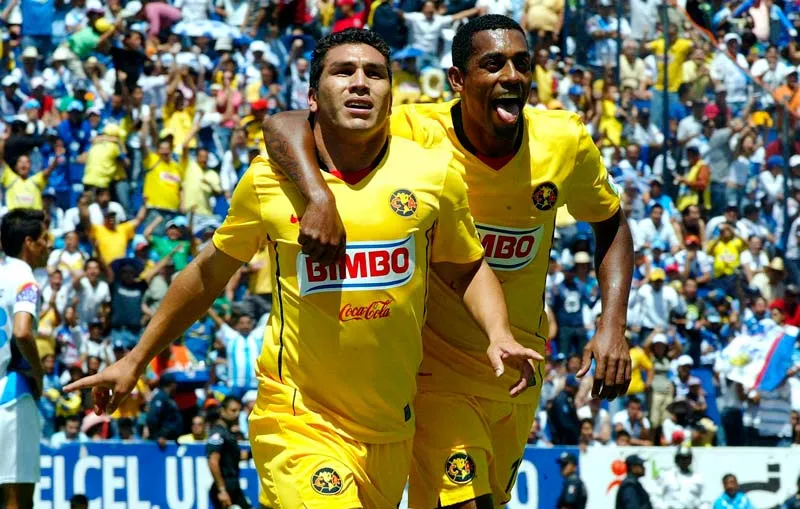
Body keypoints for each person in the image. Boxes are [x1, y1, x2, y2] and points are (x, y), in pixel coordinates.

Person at [65, 28, 538, 509]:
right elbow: (206, 275)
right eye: (343, 72)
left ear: (391, 98)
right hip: (298, 419)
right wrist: (135, 359)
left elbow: (466, 267)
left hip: (391, 428)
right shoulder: (267, 182)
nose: (360, 83)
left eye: (374, 74)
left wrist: (498, 331)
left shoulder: (431, 175)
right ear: (312, 97)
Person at [261, 15, 634, 508]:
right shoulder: (417, 132)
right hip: (434, 374)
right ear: (458, 80)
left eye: (522, 64)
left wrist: (612, 325)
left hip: (515, 369)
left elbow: (610, 221)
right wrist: (318, 197)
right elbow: (286, 123)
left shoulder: (563, 141)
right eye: (493, 64)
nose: (512, 77)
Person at [0, 208, 49, 509]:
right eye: (44, 239)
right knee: (19, 500)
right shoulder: (26, 279)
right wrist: (39, 372)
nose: (49, 244)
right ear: (29, 242)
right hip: (13, 395)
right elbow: (21, 332)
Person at [207, 396, 251, 509]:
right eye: (233, 410)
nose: (236, 414)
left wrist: (255, 453)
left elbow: (237, 456)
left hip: (233, 486)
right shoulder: (217, 433)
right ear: (222, 411)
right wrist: (222, 490)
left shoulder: (228, 433)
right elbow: (213, 461)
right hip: (225, 487)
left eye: (238, 411)